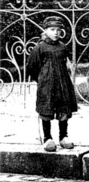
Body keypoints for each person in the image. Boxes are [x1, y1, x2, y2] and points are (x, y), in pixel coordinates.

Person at [26, 16, 77, 151]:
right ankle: (47, 138)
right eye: (52, 29)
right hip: (47, 84)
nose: (55, 32)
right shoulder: (40, 47)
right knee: (46, 109)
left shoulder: (62, 47)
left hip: (63, 83)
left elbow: (66, 64)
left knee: (64, 109)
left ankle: (63, 137)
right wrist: (42, 79)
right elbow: (32, 67)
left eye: (58, 30)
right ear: (45, 30)